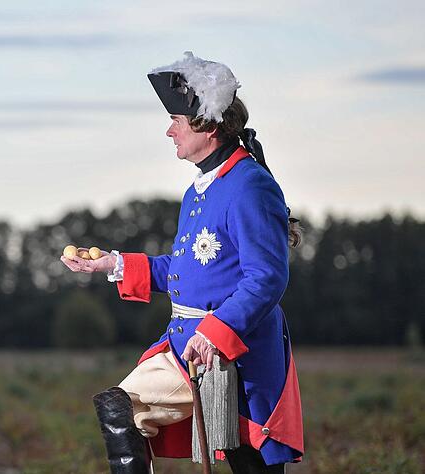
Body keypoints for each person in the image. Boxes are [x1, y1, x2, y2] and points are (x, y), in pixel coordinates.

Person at [61, 52, 303, 473]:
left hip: (238, 351)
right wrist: (114, 265)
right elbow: (189, 268)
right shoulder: (199, 189)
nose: (169, 129)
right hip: (186, 344)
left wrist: (217, 332)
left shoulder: (249, 186)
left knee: (252, 463)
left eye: (177, 119)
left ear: (207, 125)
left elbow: (266, 277)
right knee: (121, 408)